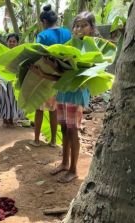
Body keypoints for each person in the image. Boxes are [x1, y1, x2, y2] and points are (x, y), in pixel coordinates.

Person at [51, 11, 95, 183]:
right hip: (63, 91)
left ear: (91, 28)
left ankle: (73, 169)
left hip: (76, 93)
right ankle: (64, 162)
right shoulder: (69, 45)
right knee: (63, 128)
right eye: (77, 25)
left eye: (84, 25)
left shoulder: (92, 47)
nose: (79, 29)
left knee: (73, 130)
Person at [30, 4, 72, 147]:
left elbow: (37, 56)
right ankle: (53, 140)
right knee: (54, 110)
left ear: (44, 22)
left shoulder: (43, 36)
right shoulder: (67, 33)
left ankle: (36, 140)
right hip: (62, 77)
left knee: (39, 109)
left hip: (45, 76)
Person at [0, 33, 25, 127]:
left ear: (17, 43)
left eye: (14, 41)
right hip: (4, 80)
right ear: (7, 42)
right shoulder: (3, 53)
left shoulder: (19, 54)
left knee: (12, 99)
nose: (12, 43)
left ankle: (10, 119)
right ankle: (5, 119)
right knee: (5, 99)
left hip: (14, 80)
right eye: (10, 41)